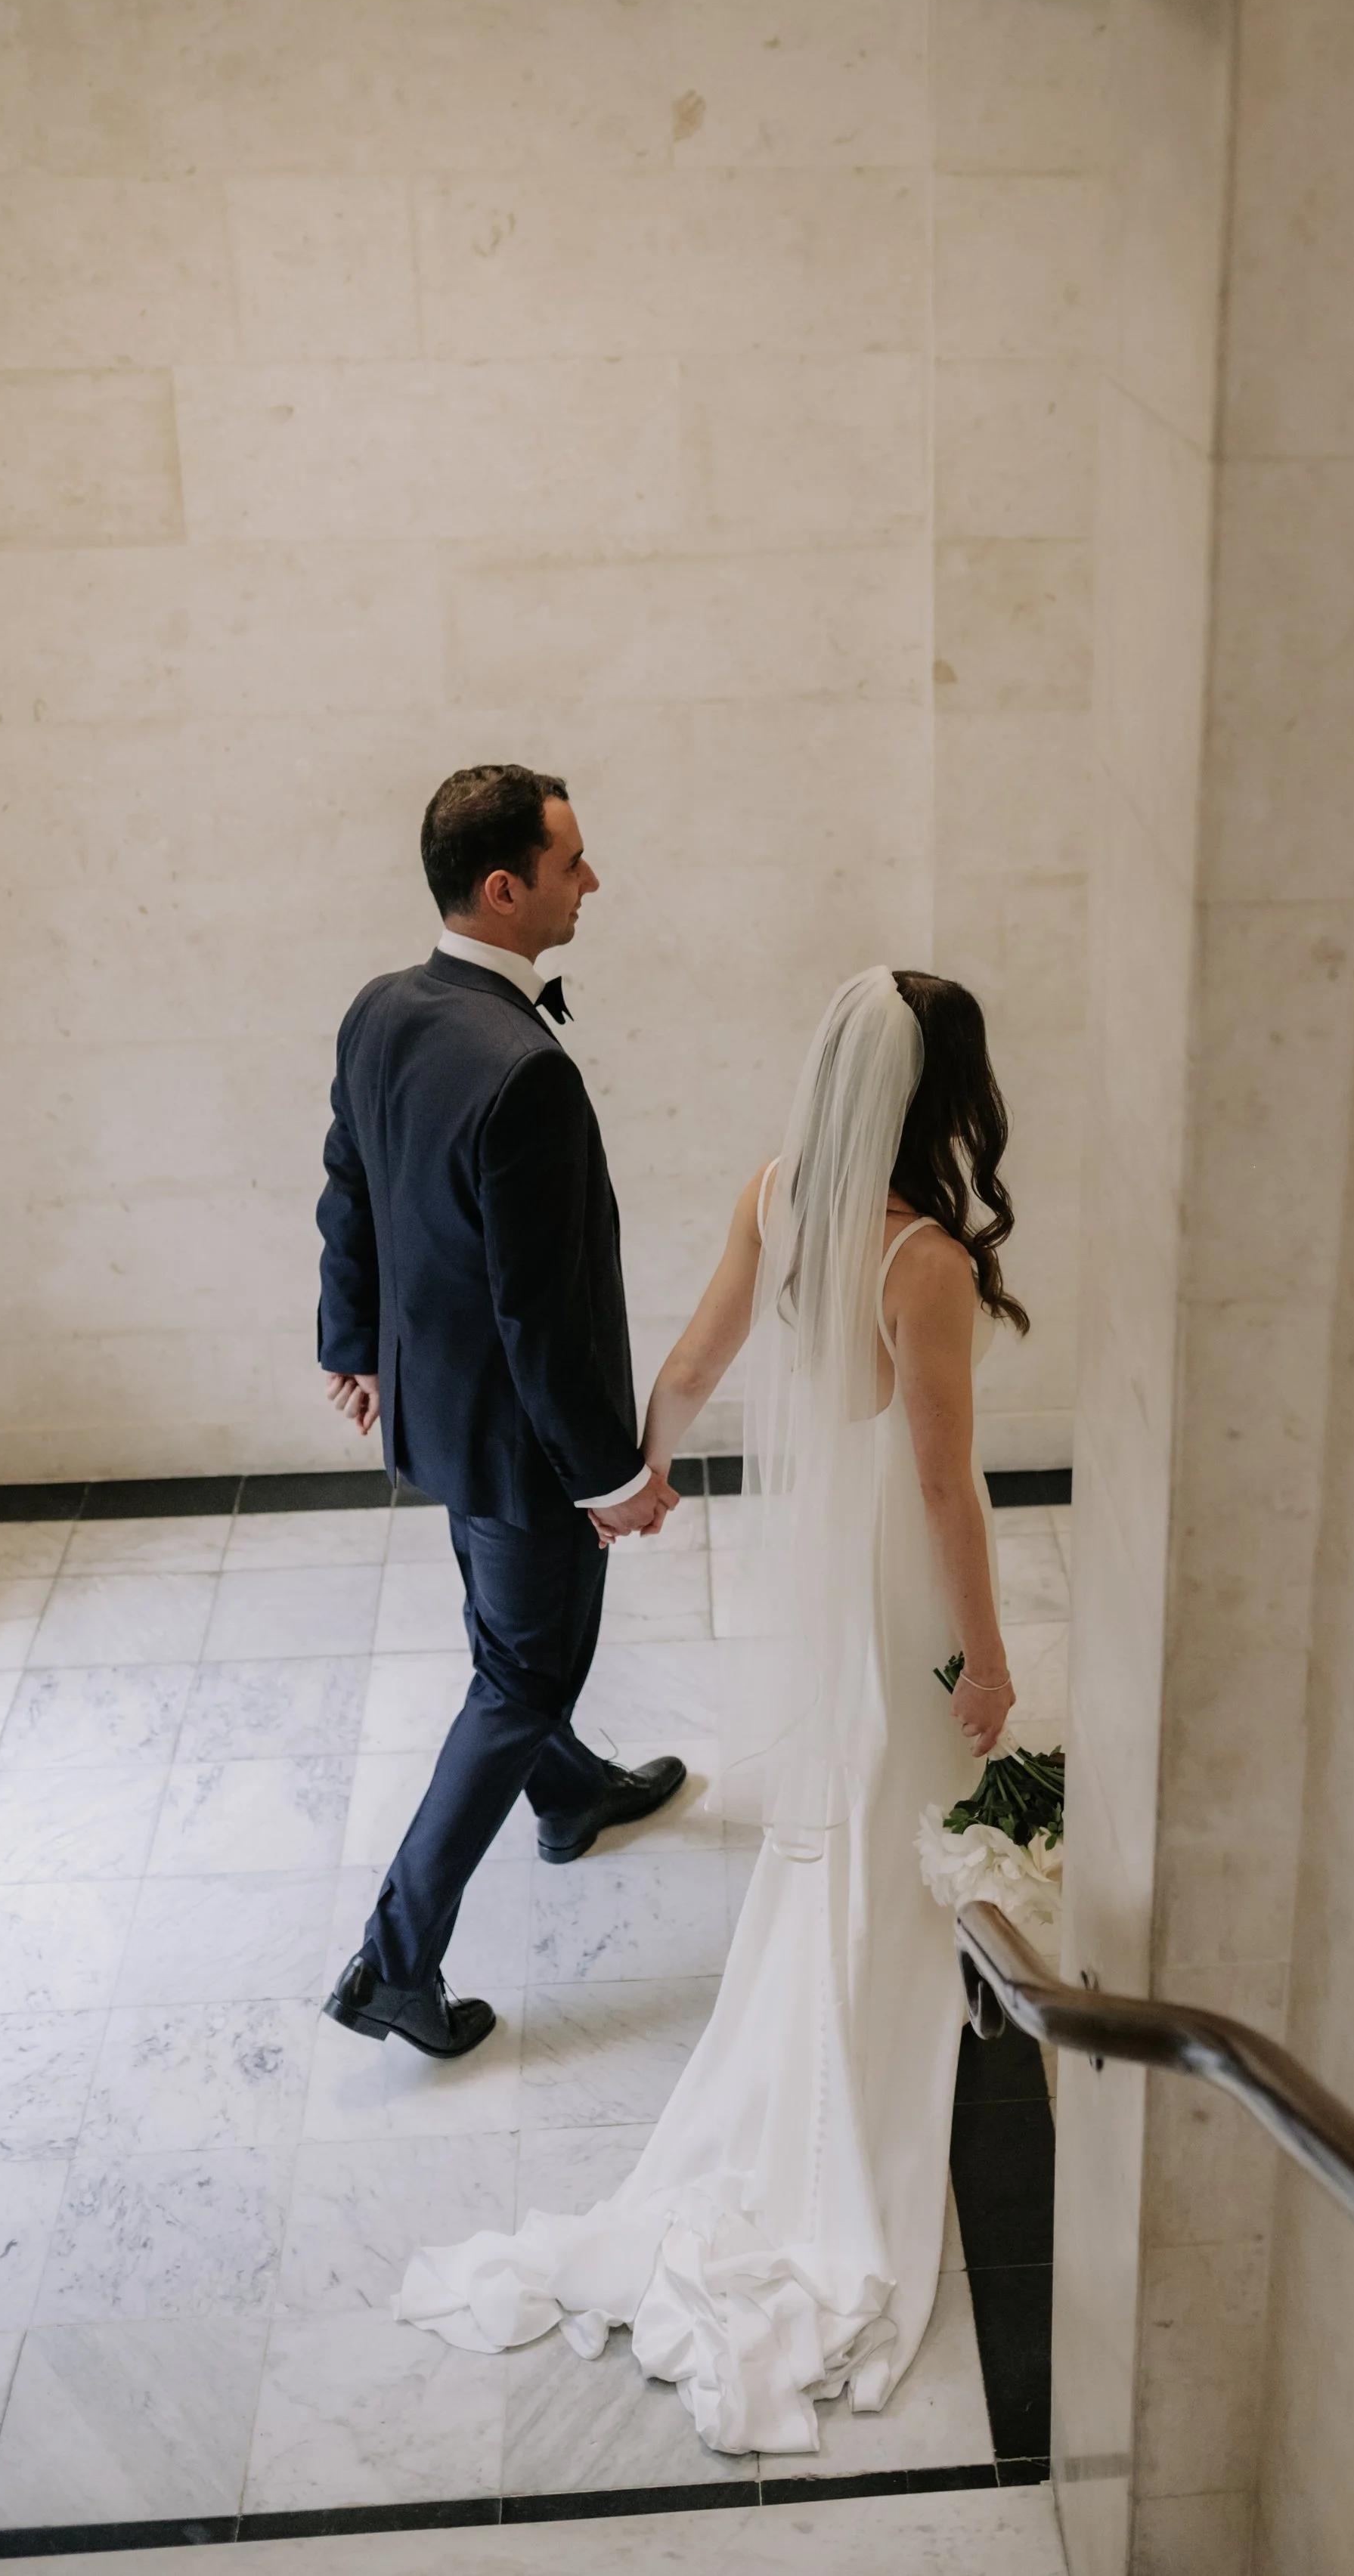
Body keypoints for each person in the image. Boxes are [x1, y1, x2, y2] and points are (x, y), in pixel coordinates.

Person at [395, 964, 1027, 2457]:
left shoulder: (775, 1194)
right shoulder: (922, 1258)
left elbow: (688, 1366)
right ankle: (886, 2010)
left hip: (830, 1550)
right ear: (941, 1097)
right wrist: (987, 1657)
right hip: (898, 1562)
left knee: (864, 1786)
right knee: (920, 1760)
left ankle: (864, 1977)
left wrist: (632, 1477)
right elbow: (942, 1486)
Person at [316, 764, 686, 2062]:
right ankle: (393, 1963)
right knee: (522, 1671)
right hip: (526, 1448)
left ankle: (571, 1793)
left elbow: (348, 1193)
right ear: (503, 888)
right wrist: (609, 1475)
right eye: (574, 863)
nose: (593, 883)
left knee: (506, 1647)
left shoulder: (380, 1010)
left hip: (443, 1417)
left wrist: (352, 1345)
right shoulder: (524, 1069)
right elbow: (550, 1309)